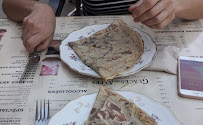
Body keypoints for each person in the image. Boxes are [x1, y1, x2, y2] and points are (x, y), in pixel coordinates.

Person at [2, 0, 203, 54]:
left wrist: (175, 5)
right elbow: (9, 5)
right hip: (92, 41)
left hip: (156, 44)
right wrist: (37, 7)